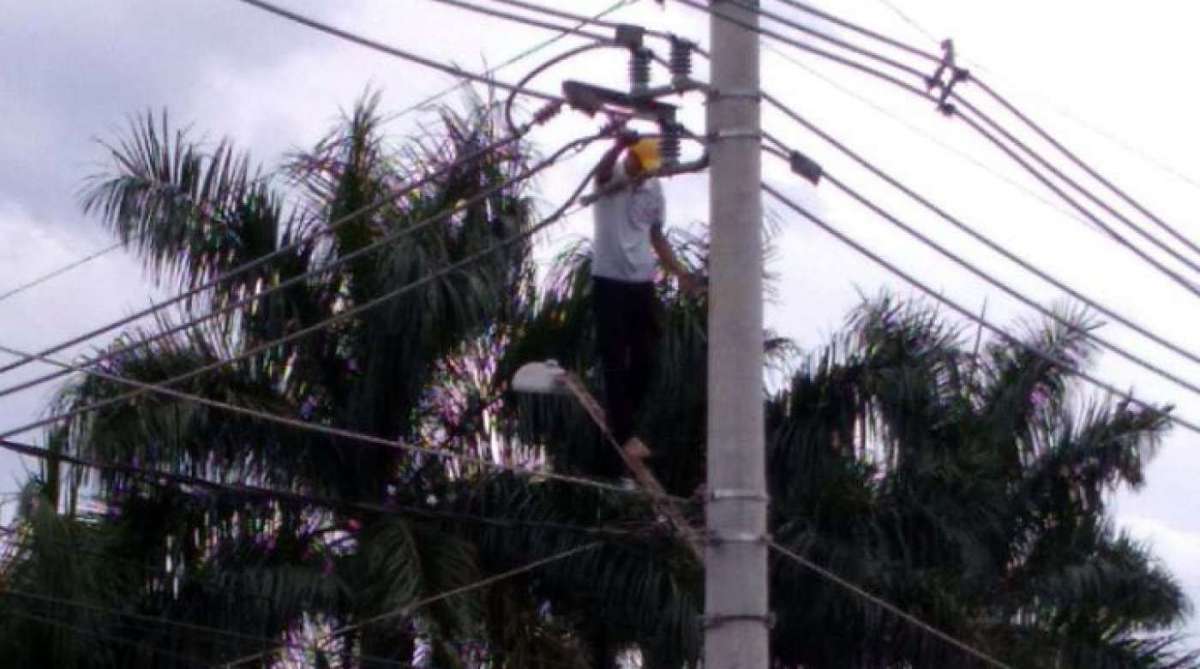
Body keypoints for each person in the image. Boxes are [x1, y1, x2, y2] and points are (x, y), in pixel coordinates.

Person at [590, 133, 701, 473]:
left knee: (646, 359)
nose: (646, 174)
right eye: (642, 166)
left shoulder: (654, 190)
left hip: (641, 281)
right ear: (631, 159)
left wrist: (679, 272)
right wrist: (618, 145)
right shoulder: (612, 180)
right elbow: (603, 169)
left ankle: (623, 426)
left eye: (650, 169)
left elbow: (656, 235)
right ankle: (624, 435)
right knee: (613, 359)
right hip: (608, 280)